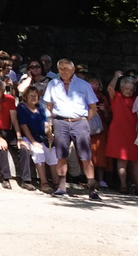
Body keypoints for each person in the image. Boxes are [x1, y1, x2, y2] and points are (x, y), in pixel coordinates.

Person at [44, 58, 102, 199]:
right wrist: (55, 120)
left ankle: (91, 189)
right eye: (61, 69)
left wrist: (84, 120)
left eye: (67, 68)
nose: (64, 71)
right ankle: (62, 187)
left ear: (73, 69)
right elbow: (49, 105)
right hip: (61, 122)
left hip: (79, 122)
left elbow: (93, 107)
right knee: (61, 155)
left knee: (86, 156)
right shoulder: (53, 84)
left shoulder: (84, 85)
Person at [103, 71, 138, 193]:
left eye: (131, 89)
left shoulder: (137, 99)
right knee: (122, 159)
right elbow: (110, 87)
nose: (129, 91)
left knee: (136, 161)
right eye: (126, 88)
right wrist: (116, 76)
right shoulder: (117, 97)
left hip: (133, 132)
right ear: (121, 87)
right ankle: (123, 185)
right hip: (119, 132)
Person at [14, 83, 54, 191]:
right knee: (38, 152)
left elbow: (46, 124)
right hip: (29, 137)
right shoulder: (22, 107)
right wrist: (33, 141)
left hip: (42, 138)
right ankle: (44, 183)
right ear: (25, 97)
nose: (33, 98)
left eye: (35, 95)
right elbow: (24, 126)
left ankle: (57, 184)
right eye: (31, 95)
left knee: (53, 153)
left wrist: (50, 136)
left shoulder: (40, 107)